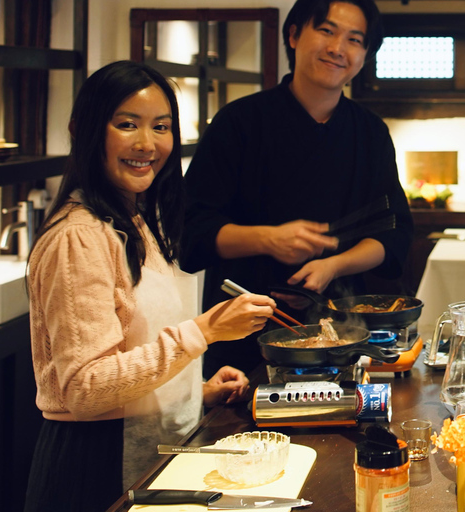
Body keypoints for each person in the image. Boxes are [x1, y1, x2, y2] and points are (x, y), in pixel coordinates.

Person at [23, 60, 276, 512]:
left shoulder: (131, 220)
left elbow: (130, 347)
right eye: (127, 125)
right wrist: (204, 331)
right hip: (95, 466)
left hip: (141, 447)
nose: (147, 144)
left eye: (161, 127)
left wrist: (192, 389)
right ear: (83, 130)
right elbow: (85, 387)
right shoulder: (78, 236)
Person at [180, 0, 414, 378]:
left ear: (364, 54)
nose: (338, 48)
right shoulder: (238, 123)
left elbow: (394, 235)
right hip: (243, 333)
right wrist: (266, 239)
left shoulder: (370, 133)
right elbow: (189, 232)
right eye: (326, 30)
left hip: (343, 333)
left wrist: (333, 265)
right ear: (293, 35)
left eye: (355, 39)